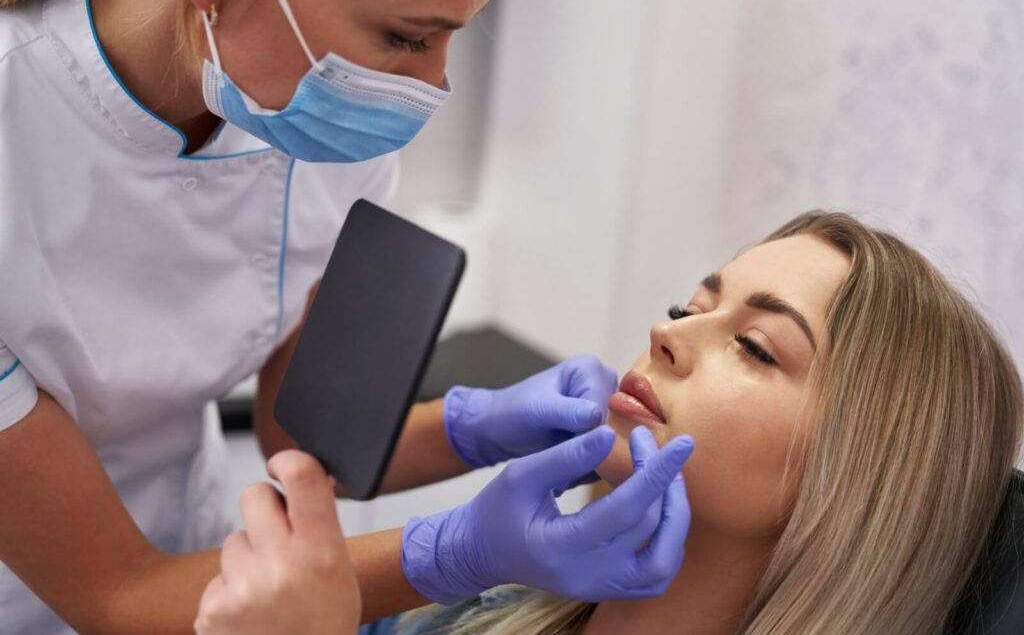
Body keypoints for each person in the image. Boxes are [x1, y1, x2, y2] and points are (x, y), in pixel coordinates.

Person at [0, 0, 693, 632]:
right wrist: (456, 554)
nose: (431, 84)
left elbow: (299, 434)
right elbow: (117, 593)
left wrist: (474, 427)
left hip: (209, 553)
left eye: (456, 32)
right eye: (407, 37)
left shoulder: (314, 109)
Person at [201, 211, 1024, 634]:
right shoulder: (483, 612)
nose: (666, 334)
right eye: (687, 306)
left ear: (864, 479)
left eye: (754, 346)